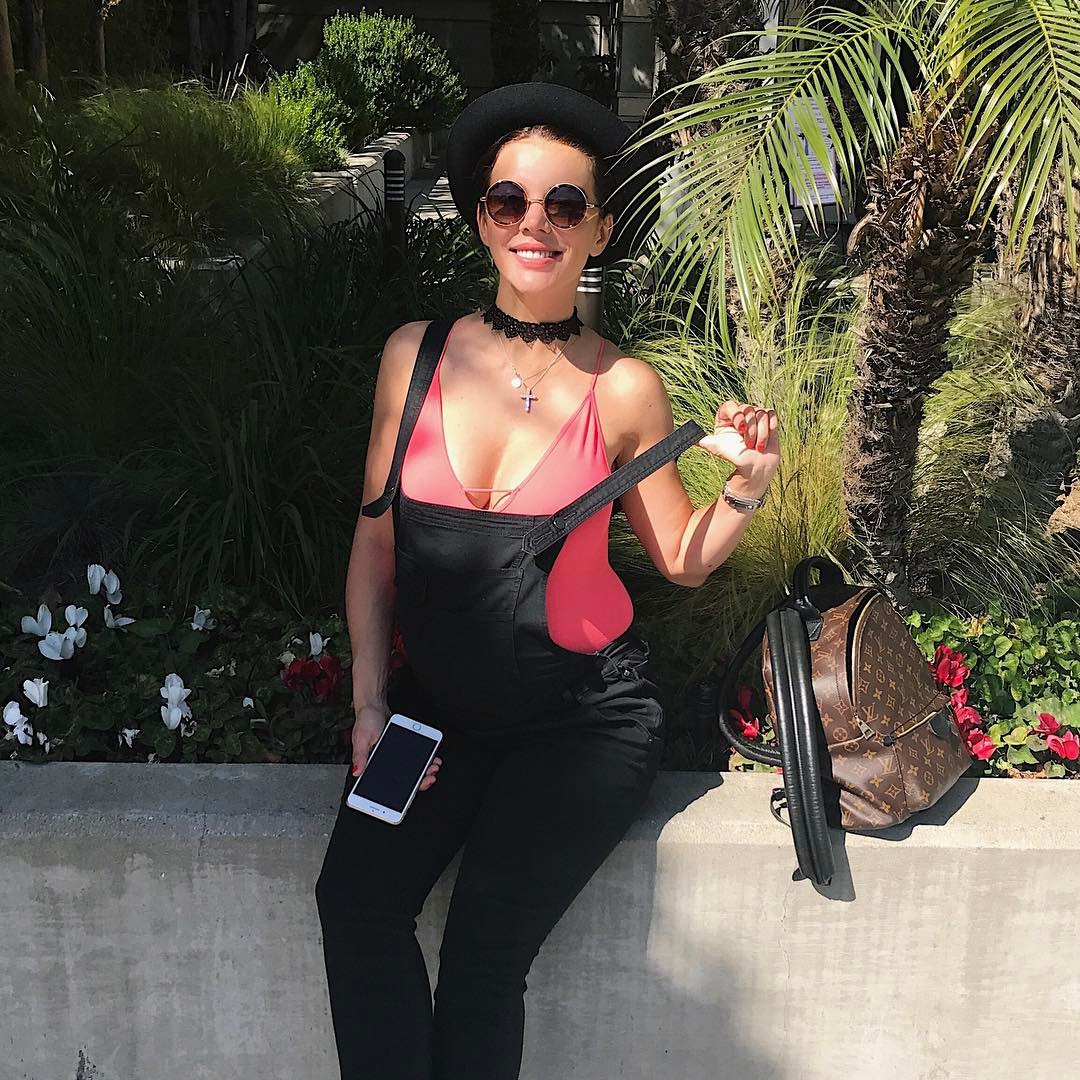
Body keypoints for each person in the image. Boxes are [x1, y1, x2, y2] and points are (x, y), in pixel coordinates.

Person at [315, 82, 780, 1080]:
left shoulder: (624, 388)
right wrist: (369, 706)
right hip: (434, 711)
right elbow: (375, 546)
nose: (536, 224)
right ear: (481, 217)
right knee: (353, 902)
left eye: (565, 205)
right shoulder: (414, 358)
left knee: (482, 959)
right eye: (509, 201)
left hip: (580, 724)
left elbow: (680, 557)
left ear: (599, 229)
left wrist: (746, 486)